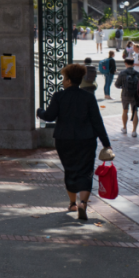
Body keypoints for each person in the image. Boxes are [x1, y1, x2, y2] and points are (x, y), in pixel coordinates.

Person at [37, 63, 112, 221]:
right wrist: (106, 143)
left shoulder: (59, 96)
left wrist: (39, 112)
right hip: (86, 139)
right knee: (86, 170)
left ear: (70, 80)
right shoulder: (88, 97)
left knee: (70, 170)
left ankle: (72, 203)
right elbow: (97, 122)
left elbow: (49, 116)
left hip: (64, 139)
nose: (63, 81)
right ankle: (83, 203)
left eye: (64, 78)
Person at [115, 58, 139, 136]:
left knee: (125, 111)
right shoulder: (137, 73)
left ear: (125, 63)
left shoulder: (122, 73)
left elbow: (117, 84)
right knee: (135, 112)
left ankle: (124, 128)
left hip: (125, 94)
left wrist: (122, 86)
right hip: (135, 95)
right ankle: (134, 131)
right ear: (133, 63)